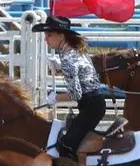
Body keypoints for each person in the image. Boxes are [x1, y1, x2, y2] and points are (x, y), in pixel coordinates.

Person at [35, 15, 105, 160]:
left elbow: (76, 94)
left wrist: (56, 98)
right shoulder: (73, 51)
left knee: (66, 147)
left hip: (91, 106)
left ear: (61, 36)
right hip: (94, 104)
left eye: (49, 35)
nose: (46, 39)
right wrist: (60, 66)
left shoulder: (67, 57)